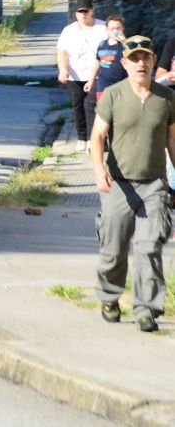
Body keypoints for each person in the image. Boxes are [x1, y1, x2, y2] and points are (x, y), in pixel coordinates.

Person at [89, 36, 175, 333]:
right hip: (119, 185)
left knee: (148, 246)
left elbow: (172, 140)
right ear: (124, 63)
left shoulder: (166, 97)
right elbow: (97, 137)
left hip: (154, 185)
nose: (141, 63)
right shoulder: (112, 95)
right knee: (113, 250)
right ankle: (110, 297)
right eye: (134, 59)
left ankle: (146, 309)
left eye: (146, 58)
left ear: (153, 61)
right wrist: (99, 170)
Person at [57, 0, 106, 148]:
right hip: (75, 75)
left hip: (96, 74)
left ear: (92, 11)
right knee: (78, 105)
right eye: (80, 12)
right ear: (76, 13)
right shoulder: (69, 30)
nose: (83, 15)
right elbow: (62, 52)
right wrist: (63, 70)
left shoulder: (102, 27)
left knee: (92, 106)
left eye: (85, 11)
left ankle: (94, 138)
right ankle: (82, 137)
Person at [87, 15, 128, 113]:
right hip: (103, 86)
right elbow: (97, 62)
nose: (115, 31)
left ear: (122, 29)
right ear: (106, 30)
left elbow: (131, 57)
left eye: (118, 28)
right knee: (104, 112)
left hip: (121, 86)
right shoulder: (102, 44)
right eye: (112, 28)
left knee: (120, 112)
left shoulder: (124, 45)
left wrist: (124, 41)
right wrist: (91, 81)